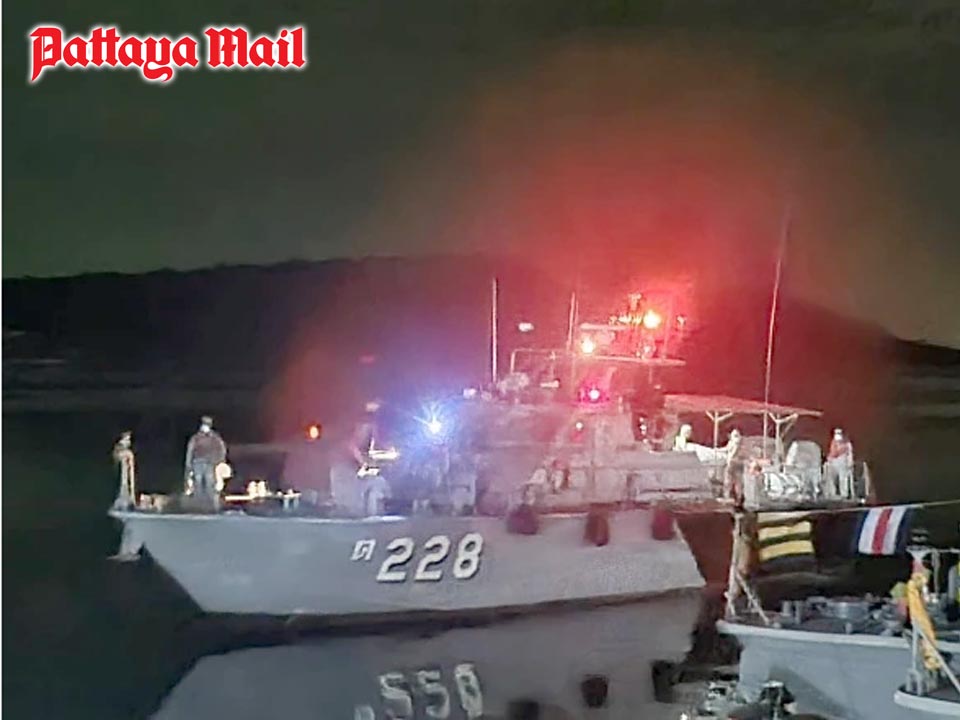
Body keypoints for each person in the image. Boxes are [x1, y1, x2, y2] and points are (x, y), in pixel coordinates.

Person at [184, 415, 227, 506]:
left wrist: (220, 461)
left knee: (210, 482)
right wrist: (189, 464)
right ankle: (198, 503)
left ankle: (210, 504)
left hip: (210, 463)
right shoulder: (196, 438)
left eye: (207, 424)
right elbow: (190, 450)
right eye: (204, 424)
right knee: (198, 482)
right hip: (198, 462)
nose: (205, 426)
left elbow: (222, 449)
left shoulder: (215, 438)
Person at [826, 427, 854, 499]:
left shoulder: (847, 444)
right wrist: (829, 460)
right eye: (836, 433)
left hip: (843, 463)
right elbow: (832, 453)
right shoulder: (833, 442)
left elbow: (850, 454)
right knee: (832, 479)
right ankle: (832, 493)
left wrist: (850, 462)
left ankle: (844, 494)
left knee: (843, 479)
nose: (837, 435)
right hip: (834, 463)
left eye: (839, 433)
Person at [112, 431, 136, 510]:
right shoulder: (126, 454)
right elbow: (131, 473)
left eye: (129, 440)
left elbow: (131, 472)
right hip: (122, 483)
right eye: (126, 440)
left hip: (123, 484)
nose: (128, 442)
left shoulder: (125, 454)